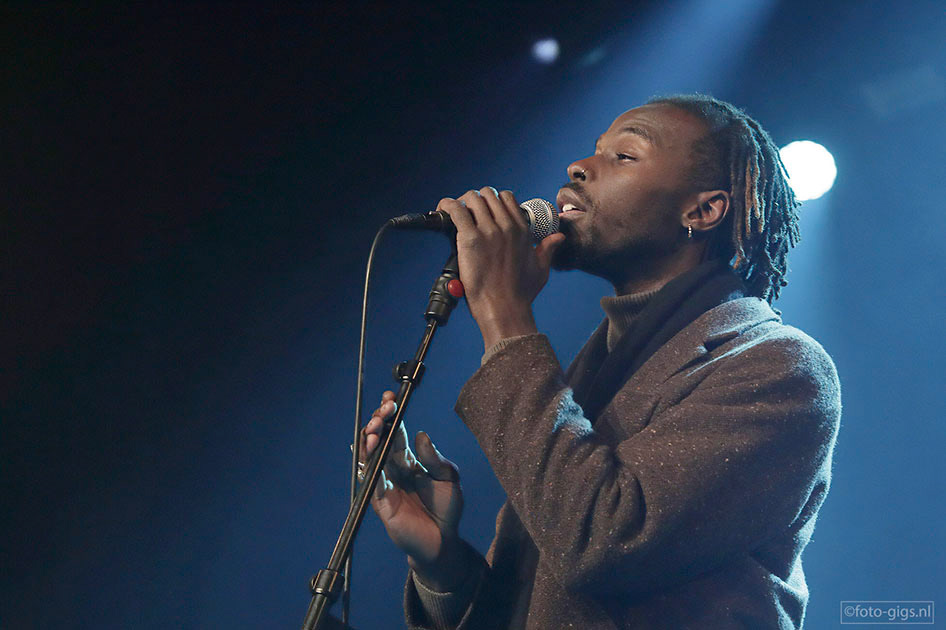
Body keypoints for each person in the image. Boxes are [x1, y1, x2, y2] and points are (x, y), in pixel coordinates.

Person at [360, 94, 841, 629]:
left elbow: (605, 542)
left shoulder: (778, 367)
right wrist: (441, 562)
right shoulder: (598, 367)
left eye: (624, 156)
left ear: (702, 211)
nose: (578, 167)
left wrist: (503, 313)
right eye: (594, 149)